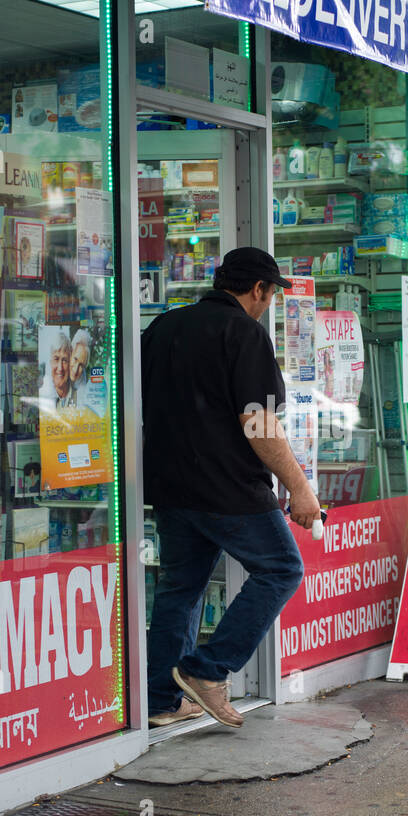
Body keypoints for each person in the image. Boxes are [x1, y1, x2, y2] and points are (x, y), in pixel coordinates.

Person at [141, 246, 319, 728]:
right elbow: (259, 423)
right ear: (257, 289)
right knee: (281, 568)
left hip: (172, 488)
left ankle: (160, 700)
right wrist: (300, 489)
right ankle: (207, 668)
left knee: (179, 589)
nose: (269, 304)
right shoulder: (244, 333)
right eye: (270, 294)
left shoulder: (163, 328)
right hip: (229, 490)